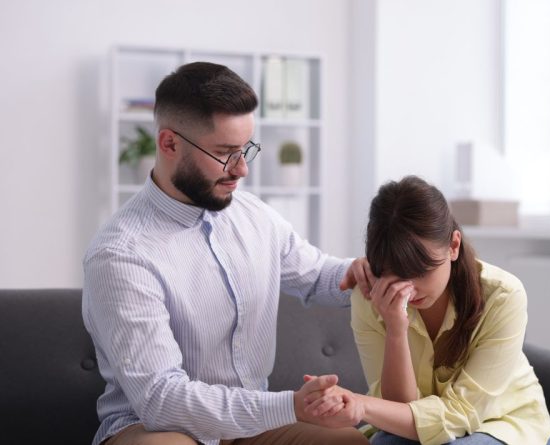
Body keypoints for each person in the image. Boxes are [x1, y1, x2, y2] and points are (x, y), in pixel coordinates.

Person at [82, 61, 373, 445]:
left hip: (249, 423)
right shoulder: (121, 254)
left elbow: (319, 275)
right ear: (169, 144)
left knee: (349, 442)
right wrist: (291, 406)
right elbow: (161, 399)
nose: (241, 170)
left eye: (246, 149)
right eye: (225, 153)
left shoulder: (254, 216)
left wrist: (372, 273)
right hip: (157, 428)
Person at [303, 176, 550, 445]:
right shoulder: (371, 298)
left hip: (502, 424)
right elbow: (398, 416)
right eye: (396, 274)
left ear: (453, 246)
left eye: (421, 272)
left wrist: (363, 405)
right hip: (417, 432)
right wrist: (396, 330)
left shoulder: (503, 296)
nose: (410, 289)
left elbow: (461, 414)